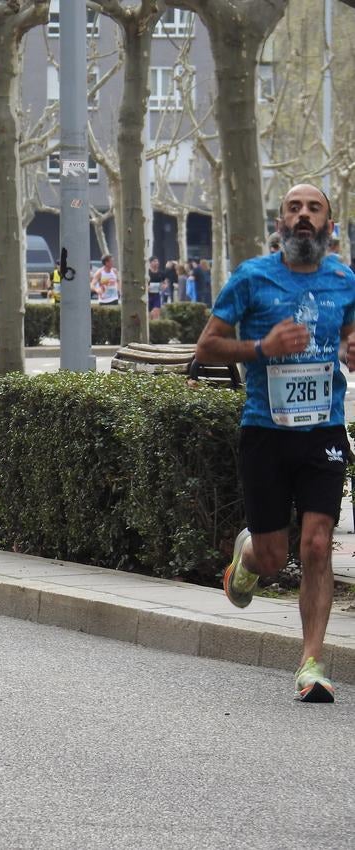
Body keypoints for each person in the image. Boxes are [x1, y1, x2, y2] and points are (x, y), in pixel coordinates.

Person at [195, 183, 355, 702]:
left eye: (314, 209)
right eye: (294, 209)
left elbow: (352, 334)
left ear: (329, 224)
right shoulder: (252, 278)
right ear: (280, 222)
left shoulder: (344, 280)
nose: (304, 216)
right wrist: (261, 346)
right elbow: (207, 348)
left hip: (324, 431)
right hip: (266, 431)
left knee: (315, 545)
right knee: (273, 558)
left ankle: (312, 664)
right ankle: (247, 559)